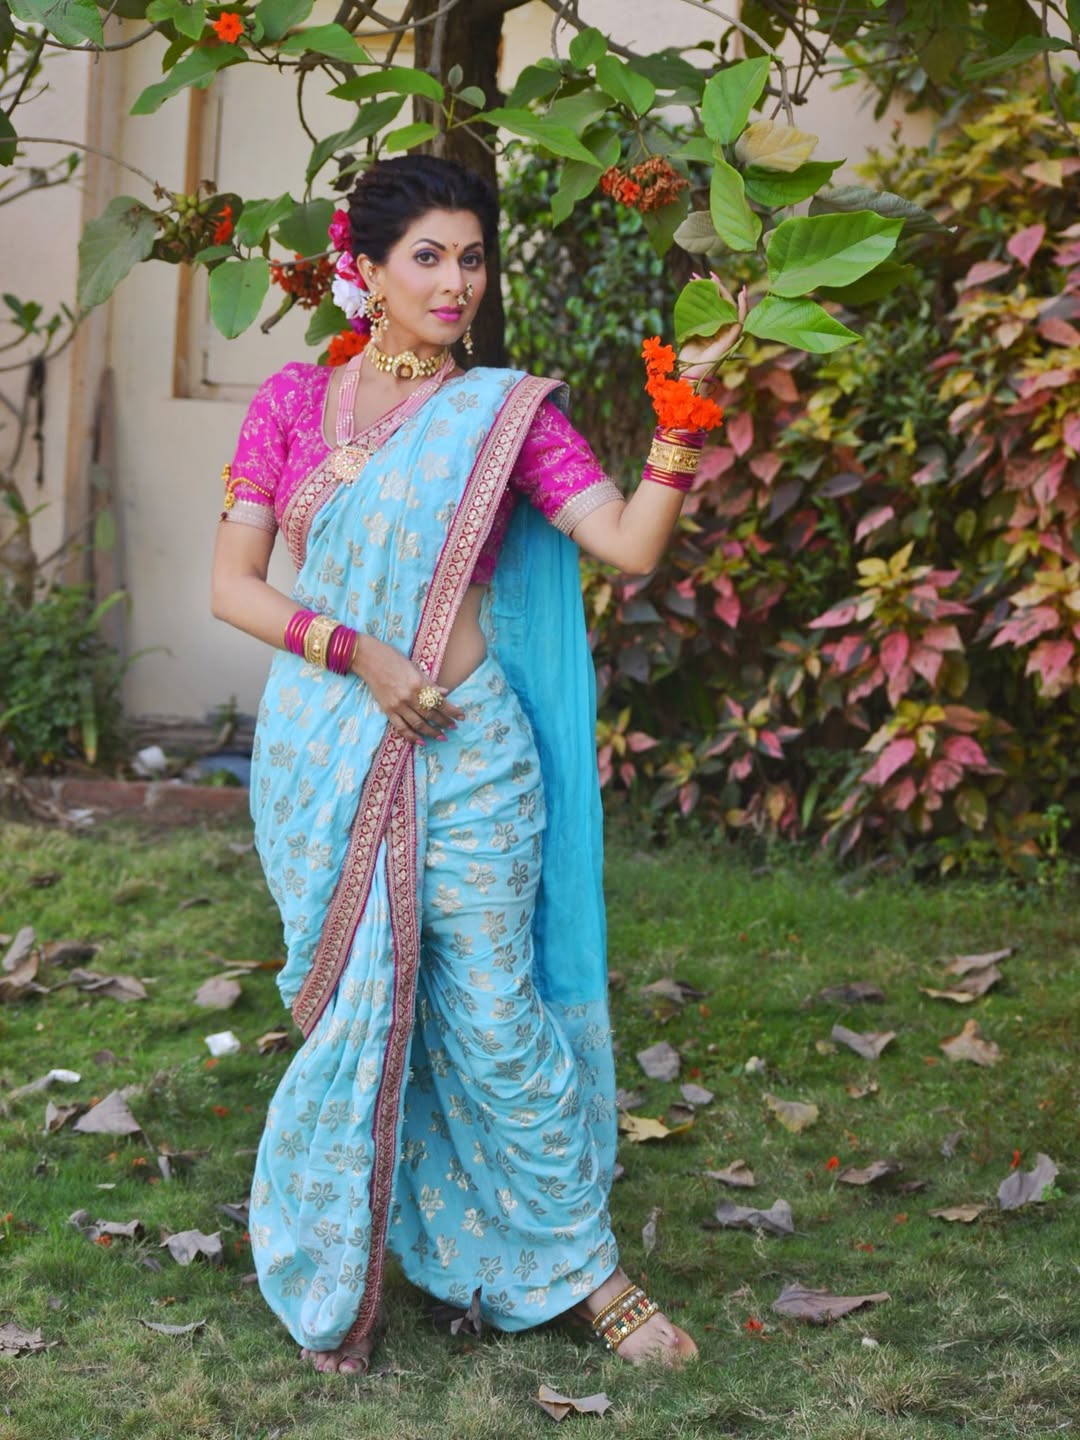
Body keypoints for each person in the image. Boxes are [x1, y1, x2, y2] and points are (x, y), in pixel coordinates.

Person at [210, 154, 743, 1376]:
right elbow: (231, 589)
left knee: (496, 1010)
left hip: (473, 752)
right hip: (331, 748)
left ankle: (582, 1270)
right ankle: (353, 1250)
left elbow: (625, 547)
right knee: (361, 1008)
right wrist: (363, 655)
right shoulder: (291, 404)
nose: (456, 283)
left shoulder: (509, 412)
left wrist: (679, 428)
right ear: (368, 270)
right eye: (428, 257)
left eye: (473, 256)